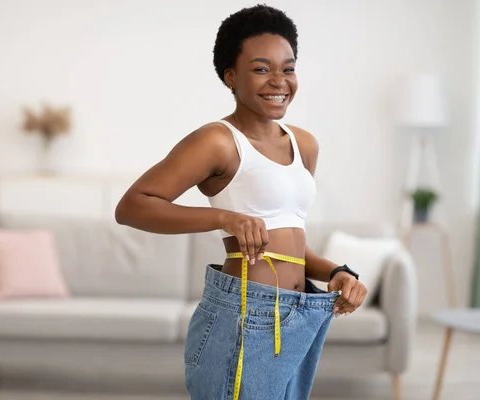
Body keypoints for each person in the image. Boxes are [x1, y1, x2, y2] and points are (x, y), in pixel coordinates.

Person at [115, 4, 367, 400]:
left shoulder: (305, 144)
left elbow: (289, 242)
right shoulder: (217, 140)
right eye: (262, 68)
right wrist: (226, 218)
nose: (279, 81)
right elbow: (132, 206)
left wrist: (339, 271)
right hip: (244, 314)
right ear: (231, 76)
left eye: (288, 68)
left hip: (302, 314)